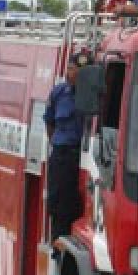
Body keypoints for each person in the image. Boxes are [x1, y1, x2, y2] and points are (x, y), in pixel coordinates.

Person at [44, 55, 86, 241]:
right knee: (59, 205)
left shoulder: (93, 95)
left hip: (84, 156)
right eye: (70, 69)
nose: (72, 73)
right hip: (63, 155)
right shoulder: (59, 93)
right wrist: (57, 143)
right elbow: (49, 122)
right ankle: (57, 244)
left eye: (76, 70)